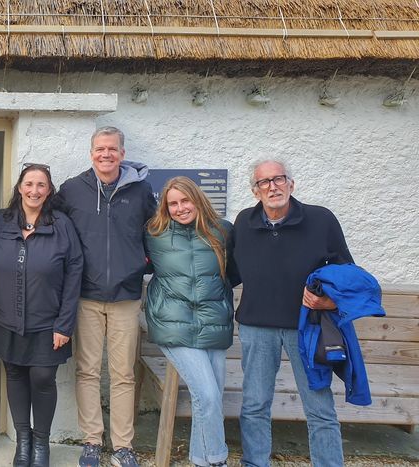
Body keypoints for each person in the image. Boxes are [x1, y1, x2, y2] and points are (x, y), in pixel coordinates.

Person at [232, 160, 352, 467]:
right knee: (255, 405)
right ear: (255, 191)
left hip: (307, 328)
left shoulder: (321, 219)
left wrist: (332, 302)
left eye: (279, 179)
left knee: (319, 408)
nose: (273, 187)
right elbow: (231, 273)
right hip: (257, 327)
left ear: (291, 184)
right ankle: (255, 463)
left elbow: (347, 272)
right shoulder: (243, 222)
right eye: (264, 182)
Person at [55, 126, 156, 467]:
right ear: (91, 153)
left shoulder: (141, 191)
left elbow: (155, 232)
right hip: (85, 295)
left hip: (127, 296)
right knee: (86, 371)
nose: (106, 154)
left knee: (123, 372)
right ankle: (91, 441)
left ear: (123, 154)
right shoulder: (72, 190)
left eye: (112, 149)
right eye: (100, 149)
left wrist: (143, 264)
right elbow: (54, 230)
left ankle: (123, 446)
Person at [0, 164, 82, 467]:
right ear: (19, 187)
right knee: (14, 374)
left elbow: (75, 271)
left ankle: (41, 443)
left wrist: (64, 323)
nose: (34, 190)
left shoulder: (62, 224)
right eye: (29, 184)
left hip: (48, 320)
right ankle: (23, 441)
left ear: (49, 190)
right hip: (6, 318)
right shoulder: (1, 221)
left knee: (42, 377)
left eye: (41, 185)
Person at [144, 176, 236, 467]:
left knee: (209, 398)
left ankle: (200, 460)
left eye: (185, 200)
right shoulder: (153, 233)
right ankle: (218, 459)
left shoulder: (223, 231)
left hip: (214, 322)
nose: (180, 208)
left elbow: (236, 271)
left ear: (197, 199)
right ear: (165, 207)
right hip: (173, 323)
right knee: (207, 394)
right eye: (173, 203)